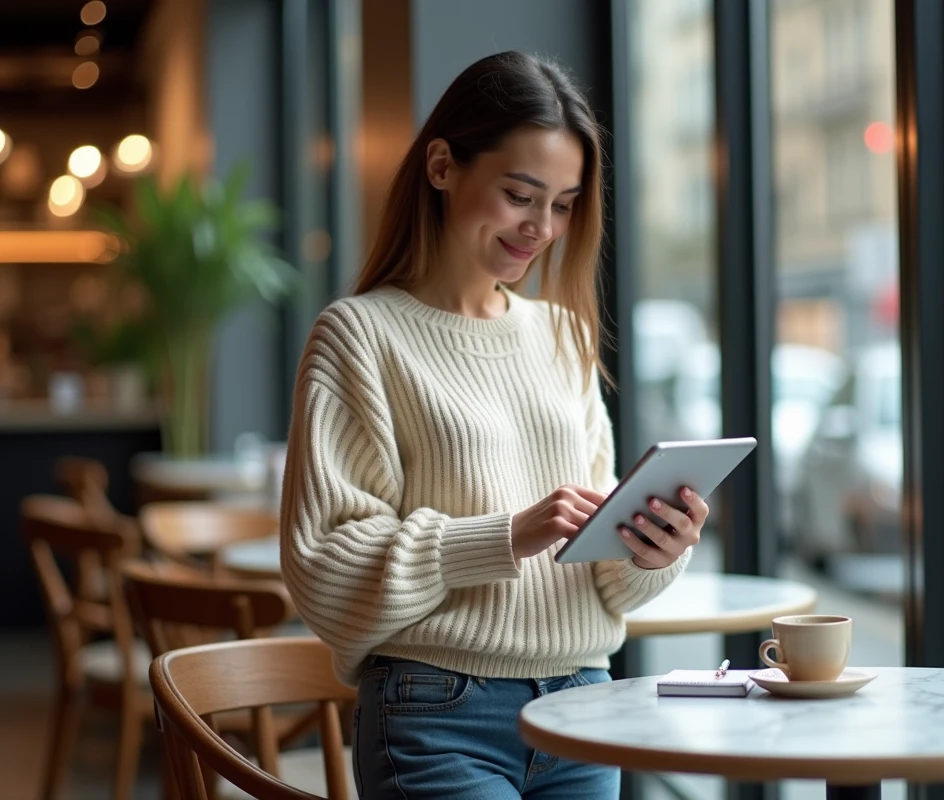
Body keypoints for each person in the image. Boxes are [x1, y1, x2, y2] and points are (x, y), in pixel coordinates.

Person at [280, 51, 707, 800]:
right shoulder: (360, 336)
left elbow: (606, 580)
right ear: (443, 166)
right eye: (520, 194)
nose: (541, 228)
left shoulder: (562, 336)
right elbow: (323, 566)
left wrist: (652, 548)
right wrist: (504, 536)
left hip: (584, 703)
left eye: (565, 204)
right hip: (437, 714)